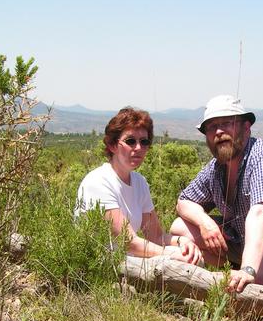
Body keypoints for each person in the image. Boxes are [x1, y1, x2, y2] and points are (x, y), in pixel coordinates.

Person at [170, 95, 263, 293]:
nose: (219, 131)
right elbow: (184, 202)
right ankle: (235, 273)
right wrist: (205, 223)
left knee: (259, 280)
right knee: (180, 226)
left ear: (246, 127)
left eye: (227, 123)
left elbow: (261, 214)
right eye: (211, 127)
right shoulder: (216, 169)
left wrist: (248, 269)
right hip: (244, 240)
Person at [75, 107, 203, 265]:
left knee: (193, 258)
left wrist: (182, 242)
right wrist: (170, 255)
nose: (138, 148)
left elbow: (156, 237)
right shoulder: (98, 182)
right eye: (130, 141)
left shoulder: (139, 182)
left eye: (144, 142)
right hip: (104, 264)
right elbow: (128, 241)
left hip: (130, 259)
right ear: (112, 145)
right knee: (181, 263)